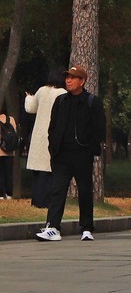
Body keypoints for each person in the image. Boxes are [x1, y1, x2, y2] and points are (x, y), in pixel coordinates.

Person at [36, 64, 106, 242]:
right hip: (61, 155)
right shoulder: (60, 101)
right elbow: (52, 127)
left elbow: (99, 128)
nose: (68, 80)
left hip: (82, 154)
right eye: (67, 77)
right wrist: (53, 147)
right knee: (57, 191)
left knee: (84, 190)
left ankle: (87, 228)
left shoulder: (92, 101)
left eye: (73, 78)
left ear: (82, 81)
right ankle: (52, 227)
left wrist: (91, 147)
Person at [24, 66, 67, 208]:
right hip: (53, 136)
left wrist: (28, 98)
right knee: (49, 173)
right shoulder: (63, 94)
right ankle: (46, 203)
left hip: (38, 137)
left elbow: (31, 108)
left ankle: (36, 202)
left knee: (37, 173)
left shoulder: (42, 91)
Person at [0, 107, 19, 199]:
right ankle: (9, 194)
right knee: (8, 173)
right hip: (10, 152)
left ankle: (0, 195)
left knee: (0, 173)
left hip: (0, 151)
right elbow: (15, 134)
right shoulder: (11, 119)